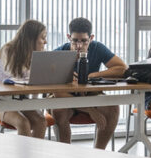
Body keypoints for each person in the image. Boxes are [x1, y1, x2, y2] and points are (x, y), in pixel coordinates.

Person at [51, 17, 126, 150]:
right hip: (65, 99)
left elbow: (122, 68)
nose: (79, 46)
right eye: (75, 41)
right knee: (57, 109)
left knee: (113, 108)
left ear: (91, 38)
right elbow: (55, 92)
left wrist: (91, 75)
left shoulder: (97, 48)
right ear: (68, 37)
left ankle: (98, 153)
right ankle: (64, 153)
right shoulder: (60, 52)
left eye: (84, 41)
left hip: (89, 96)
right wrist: (90, 109)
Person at [0, 20, 50, 138]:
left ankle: (34, 155)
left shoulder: (33, 55)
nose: (46, 42)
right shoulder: (8, 50)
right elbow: (15, 78)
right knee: (23, 123)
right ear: (31, 38)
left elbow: (32, 83)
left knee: (41, 122)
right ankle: (24, 156)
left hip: (21, 101)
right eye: (43, 38)